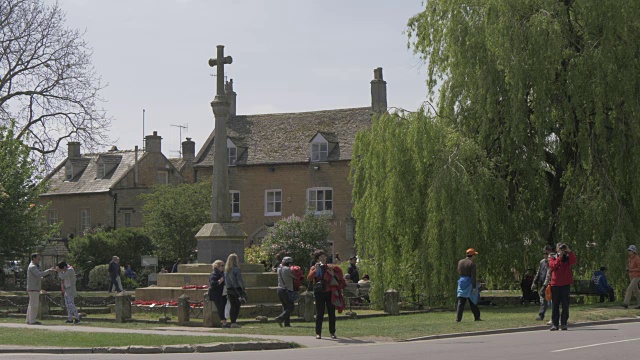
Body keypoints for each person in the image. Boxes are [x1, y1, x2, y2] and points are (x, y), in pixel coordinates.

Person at [307, 249, 347, 339]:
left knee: (331, 313)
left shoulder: (329, 267)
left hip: (330, 292)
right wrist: (315, 271)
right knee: (319, 313)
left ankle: (332, 332)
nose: (323, 258)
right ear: (317, 259)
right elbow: (309, 278)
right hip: (319, 292)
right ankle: (318, 333)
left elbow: (338, 278)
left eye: (324, 257)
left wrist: (333, 274)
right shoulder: (314, 267)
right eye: (321, 257)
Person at [548, 242, 577, 331]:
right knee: (555, 305)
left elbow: (574, 261)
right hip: (555, 284)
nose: (561, 249)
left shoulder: (568, 257)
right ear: (556, 249)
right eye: (560, 248)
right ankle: (555, 324)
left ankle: (564, 323)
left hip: (565, 285)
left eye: (562, 248)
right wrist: (559, 257)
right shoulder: (553, 257)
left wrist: (569, 251)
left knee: (565, 305)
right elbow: (553, 266)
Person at [26, 253, 55, 325]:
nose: (39, 260)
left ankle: (29, 320)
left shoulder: (34, 266)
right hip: (33, 288)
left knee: (31, 304)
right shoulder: (32, 266)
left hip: (34, 288)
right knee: (34, 305)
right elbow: (39, 274)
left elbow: (37, 276)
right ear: (33, 259)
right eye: (38, 259)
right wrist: (49, 271)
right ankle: (32, 320)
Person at [456, 248, 481, 322]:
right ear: (472, 255)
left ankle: (458, 319)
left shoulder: (460, 262)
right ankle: (477, 317)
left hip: (461, 282)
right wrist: (474, 287)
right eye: (474, 255)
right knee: (473, 301)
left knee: (461, 302)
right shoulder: (471, 264)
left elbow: (459, 272)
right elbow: (473, 276)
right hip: (469, 283)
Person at [532, 245, 552, 321]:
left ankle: (555, 316)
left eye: (547, 253)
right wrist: (534, 282)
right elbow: (538, 273)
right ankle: (541, 315)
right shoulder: (542, 262)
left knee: (551, 302)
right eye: (544, 253)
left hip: (550, 284)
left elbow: (549, 274)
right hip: (543, 283)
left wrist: (546, 284)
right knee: (543, 300)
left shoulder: (552, 261)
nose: (545, 255)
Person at [224, 253, 245, 328]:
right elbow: (240, 280)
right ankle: (234, 322)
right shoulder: (236, 269)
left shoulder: (226, 270)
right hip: (236, 289)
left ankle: (232, 321)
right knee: (237, 306)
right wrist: (243, 288)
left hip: (229, 289)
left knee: (233, 306)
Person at [274, 257, 296, 327]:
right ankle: (280, 317)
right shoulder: (287, 269)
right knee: (291, 307)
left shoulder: (279, 269)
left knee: (285, 307)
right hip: (286, 290)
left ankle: (287, 323)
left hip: (279, 289)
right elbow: (295, 276)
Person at [208, 260, 227, 328]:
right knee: (220, 308)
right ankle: (223, 322)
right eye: (222, 265)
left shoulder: (222, 273)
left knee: (223, 307)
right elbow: (213, 284)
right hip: (216, 294)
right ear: (217, 266)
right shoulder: (214, 274)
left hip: (222, 293)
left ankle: (224, 321)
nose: (223, 267)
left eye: (224, 265)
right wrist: (220, 281)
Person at [622, 245, 640, 309]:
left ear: (633, 251)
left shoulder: (637, 258)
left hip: (637, 276)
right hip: (631, 276)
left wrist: (630, 270)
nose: (628, 251)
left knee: (629, 288)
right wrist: (628, 268)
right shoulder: (630, 258)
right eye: (628, 250)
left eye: (630, 250)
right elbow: (630, 266)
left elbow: (639, 268)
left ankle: (626, 303)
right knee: (636, 291)